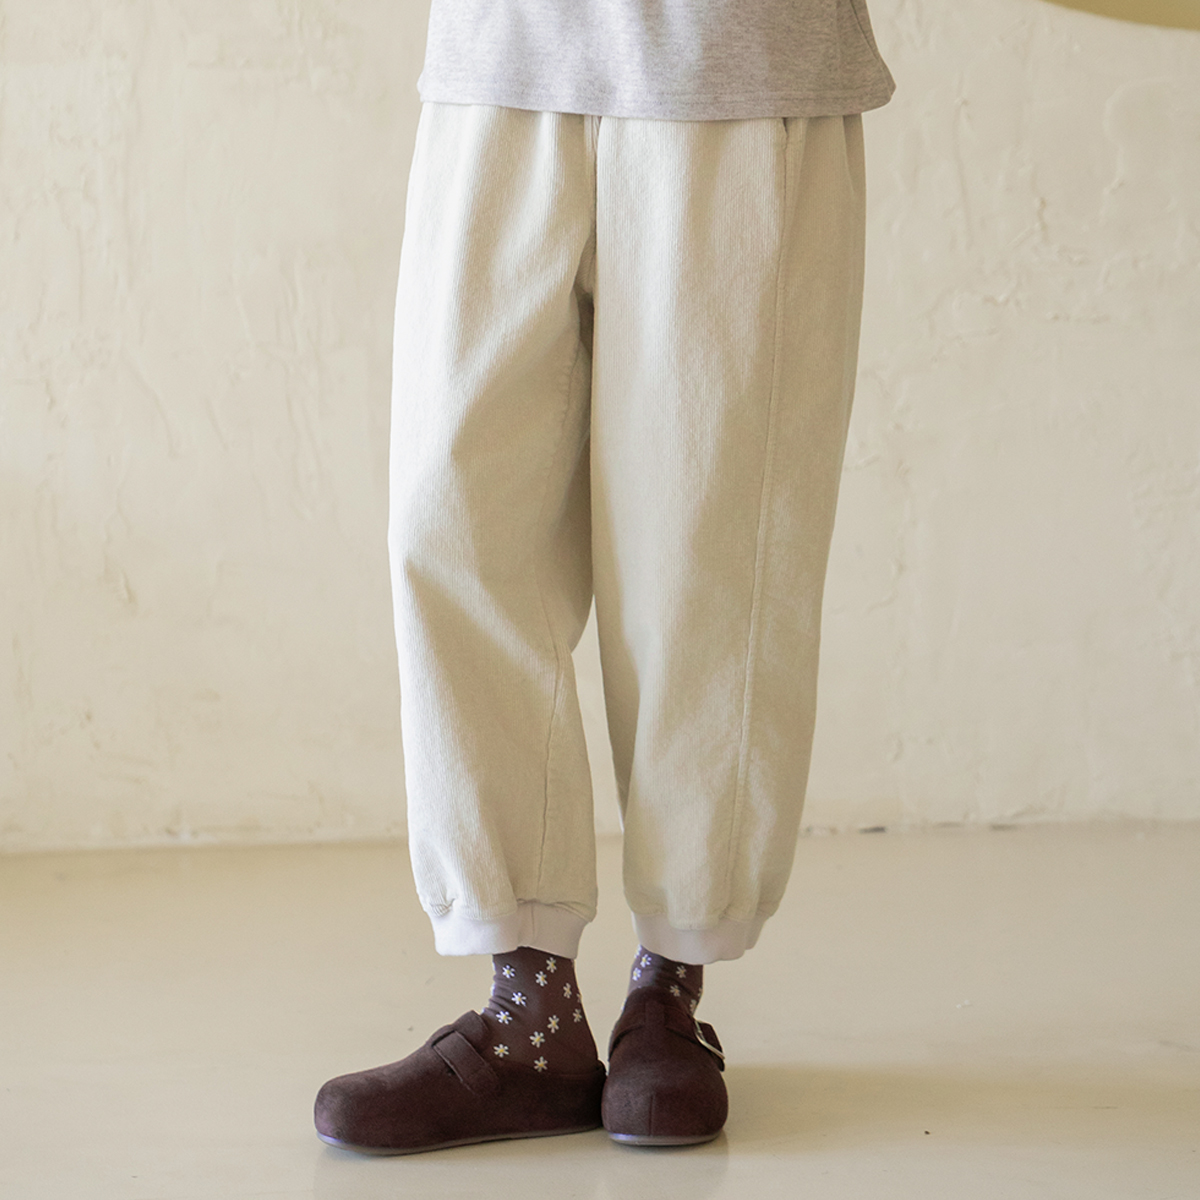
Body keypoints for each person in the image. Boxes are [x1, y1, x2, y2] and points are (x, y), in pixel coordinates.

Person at [314, 0, 895, 1154]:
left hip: (738, 66)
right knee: (452, 520)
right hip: (500, 59)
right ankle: (529, 1014)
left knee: (715, 550)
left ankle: (670, 989)